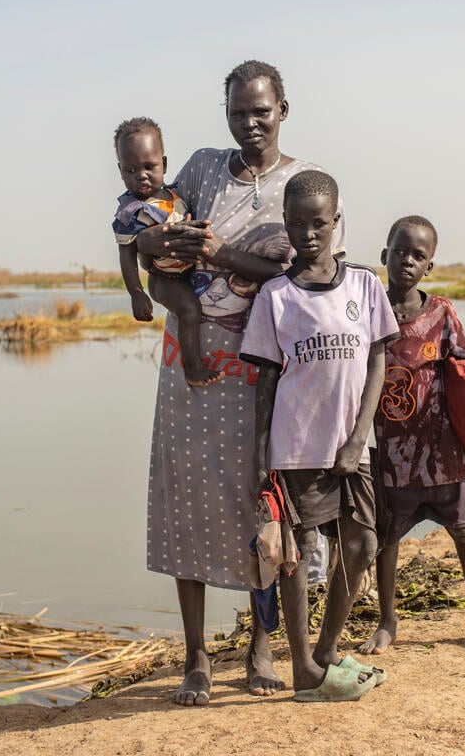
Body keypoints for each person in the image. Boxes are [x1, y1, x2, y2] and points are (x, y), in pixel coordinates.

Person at [137, 60, 346, 706]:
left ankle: (262, 645)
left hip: (262, 372)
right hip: (190, 363)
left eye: (261, 111)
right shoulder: (201, 168)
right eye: (238, 112)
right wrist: (155, 247)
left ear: (284, 108)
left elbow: (309, 277)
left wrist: (218, 254)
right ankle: (197, 657)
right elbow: (153, 221)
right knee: (185, 501)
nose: (250, 123)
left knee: (263, 508)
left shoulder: (303, 188)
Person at [242, 170, 398, 702]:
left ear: (336, 222)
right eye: (297, 223)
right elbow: (266, 380)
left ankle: (328, 647)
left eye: (319, 223)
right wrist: (263, 456)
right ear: (285, 223)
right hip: (297, 444)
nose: (308, 234)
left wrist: (358, 438)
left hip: (353, 446)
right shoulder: (276, 296)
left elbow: (376, 362)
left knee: (362, 544)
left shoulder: (364, 286)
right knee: (297, 552)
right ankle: (304, 664)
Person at [356, 216, 465, 657]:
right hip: (393, 456)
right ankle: (387, 622)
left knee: (464, 533)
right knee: (387, 540)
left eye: (418, 256)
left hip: (443, 455)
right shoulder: (369, 311)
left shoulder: (441, 312)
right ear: (385, 256)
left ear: (429, 267)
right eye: (400, 252)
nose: (407, 261)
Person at [112, 118, 220, 386]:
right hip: (164, 279)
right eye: (132, 170)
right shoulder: (129, 212)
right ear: (121, 171)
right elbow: (127, 255)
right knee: (189, 310)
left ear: (165, 165)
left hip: (188, 271)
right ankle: (193, 369)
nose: (142, 175)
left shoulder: (175, 195)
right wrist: (136, 293)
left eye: (150, 166)